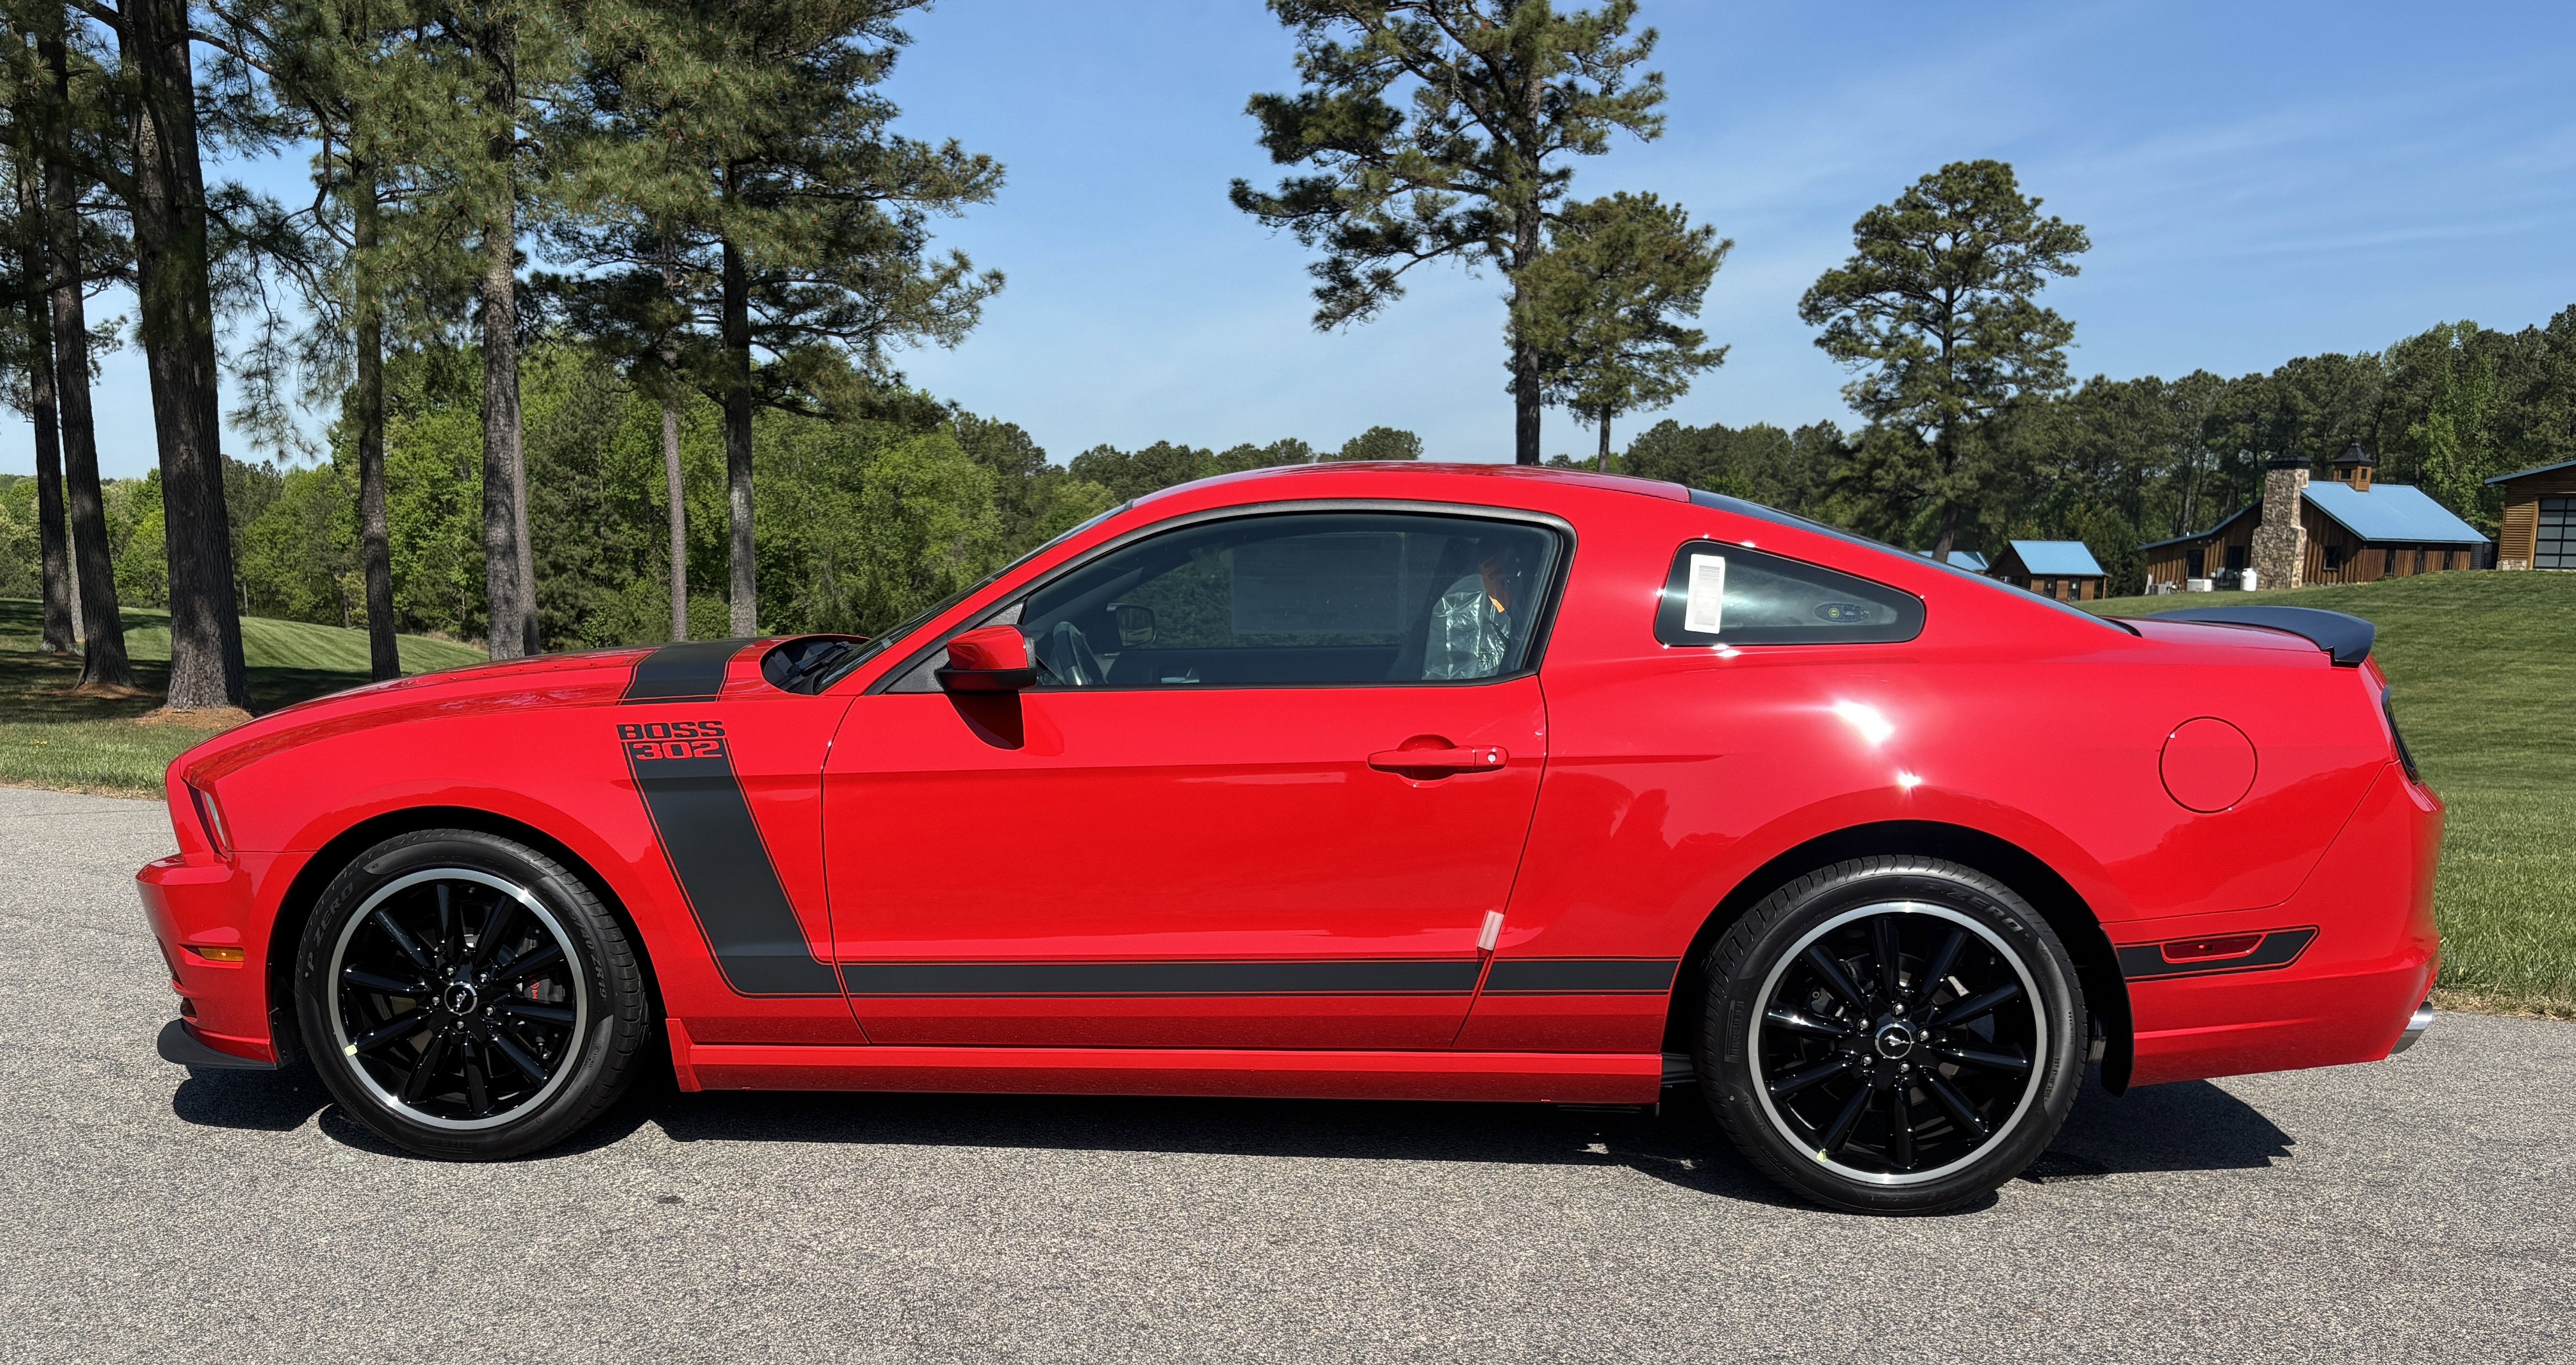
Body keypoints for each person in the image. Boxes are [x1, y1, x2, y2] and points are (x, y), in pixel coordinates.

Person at [1422, 542, 1530, 680]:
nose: (1504, 579)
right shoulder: (1464, 602)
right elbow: (1459, 675)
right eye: (1494, 572)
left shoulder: (1512, 611)